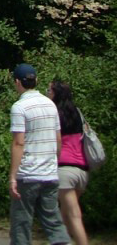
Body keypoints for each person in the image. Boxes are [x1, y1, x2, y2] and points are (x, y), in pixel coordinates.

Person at [9, 62, 70, 245]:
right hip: (49, 174)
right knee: (53, 221)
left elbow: (19, 142)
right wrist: (54, 164)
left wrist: (13, 177)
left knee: (21, 223)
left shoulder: (19, 107)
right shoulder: (50, 105)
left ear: (17, 82)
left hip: (28, 174)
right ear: (36, 81)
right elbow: (58, 139)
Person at [48, 81, 90, 245]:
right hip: (82, 170)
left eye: (49, 90)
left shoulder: (54, 114)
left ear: (56, 94)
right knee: (64, 214)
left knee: (73, 215)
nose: (47, 93)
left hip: (65, 169)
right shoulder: (77, 113)